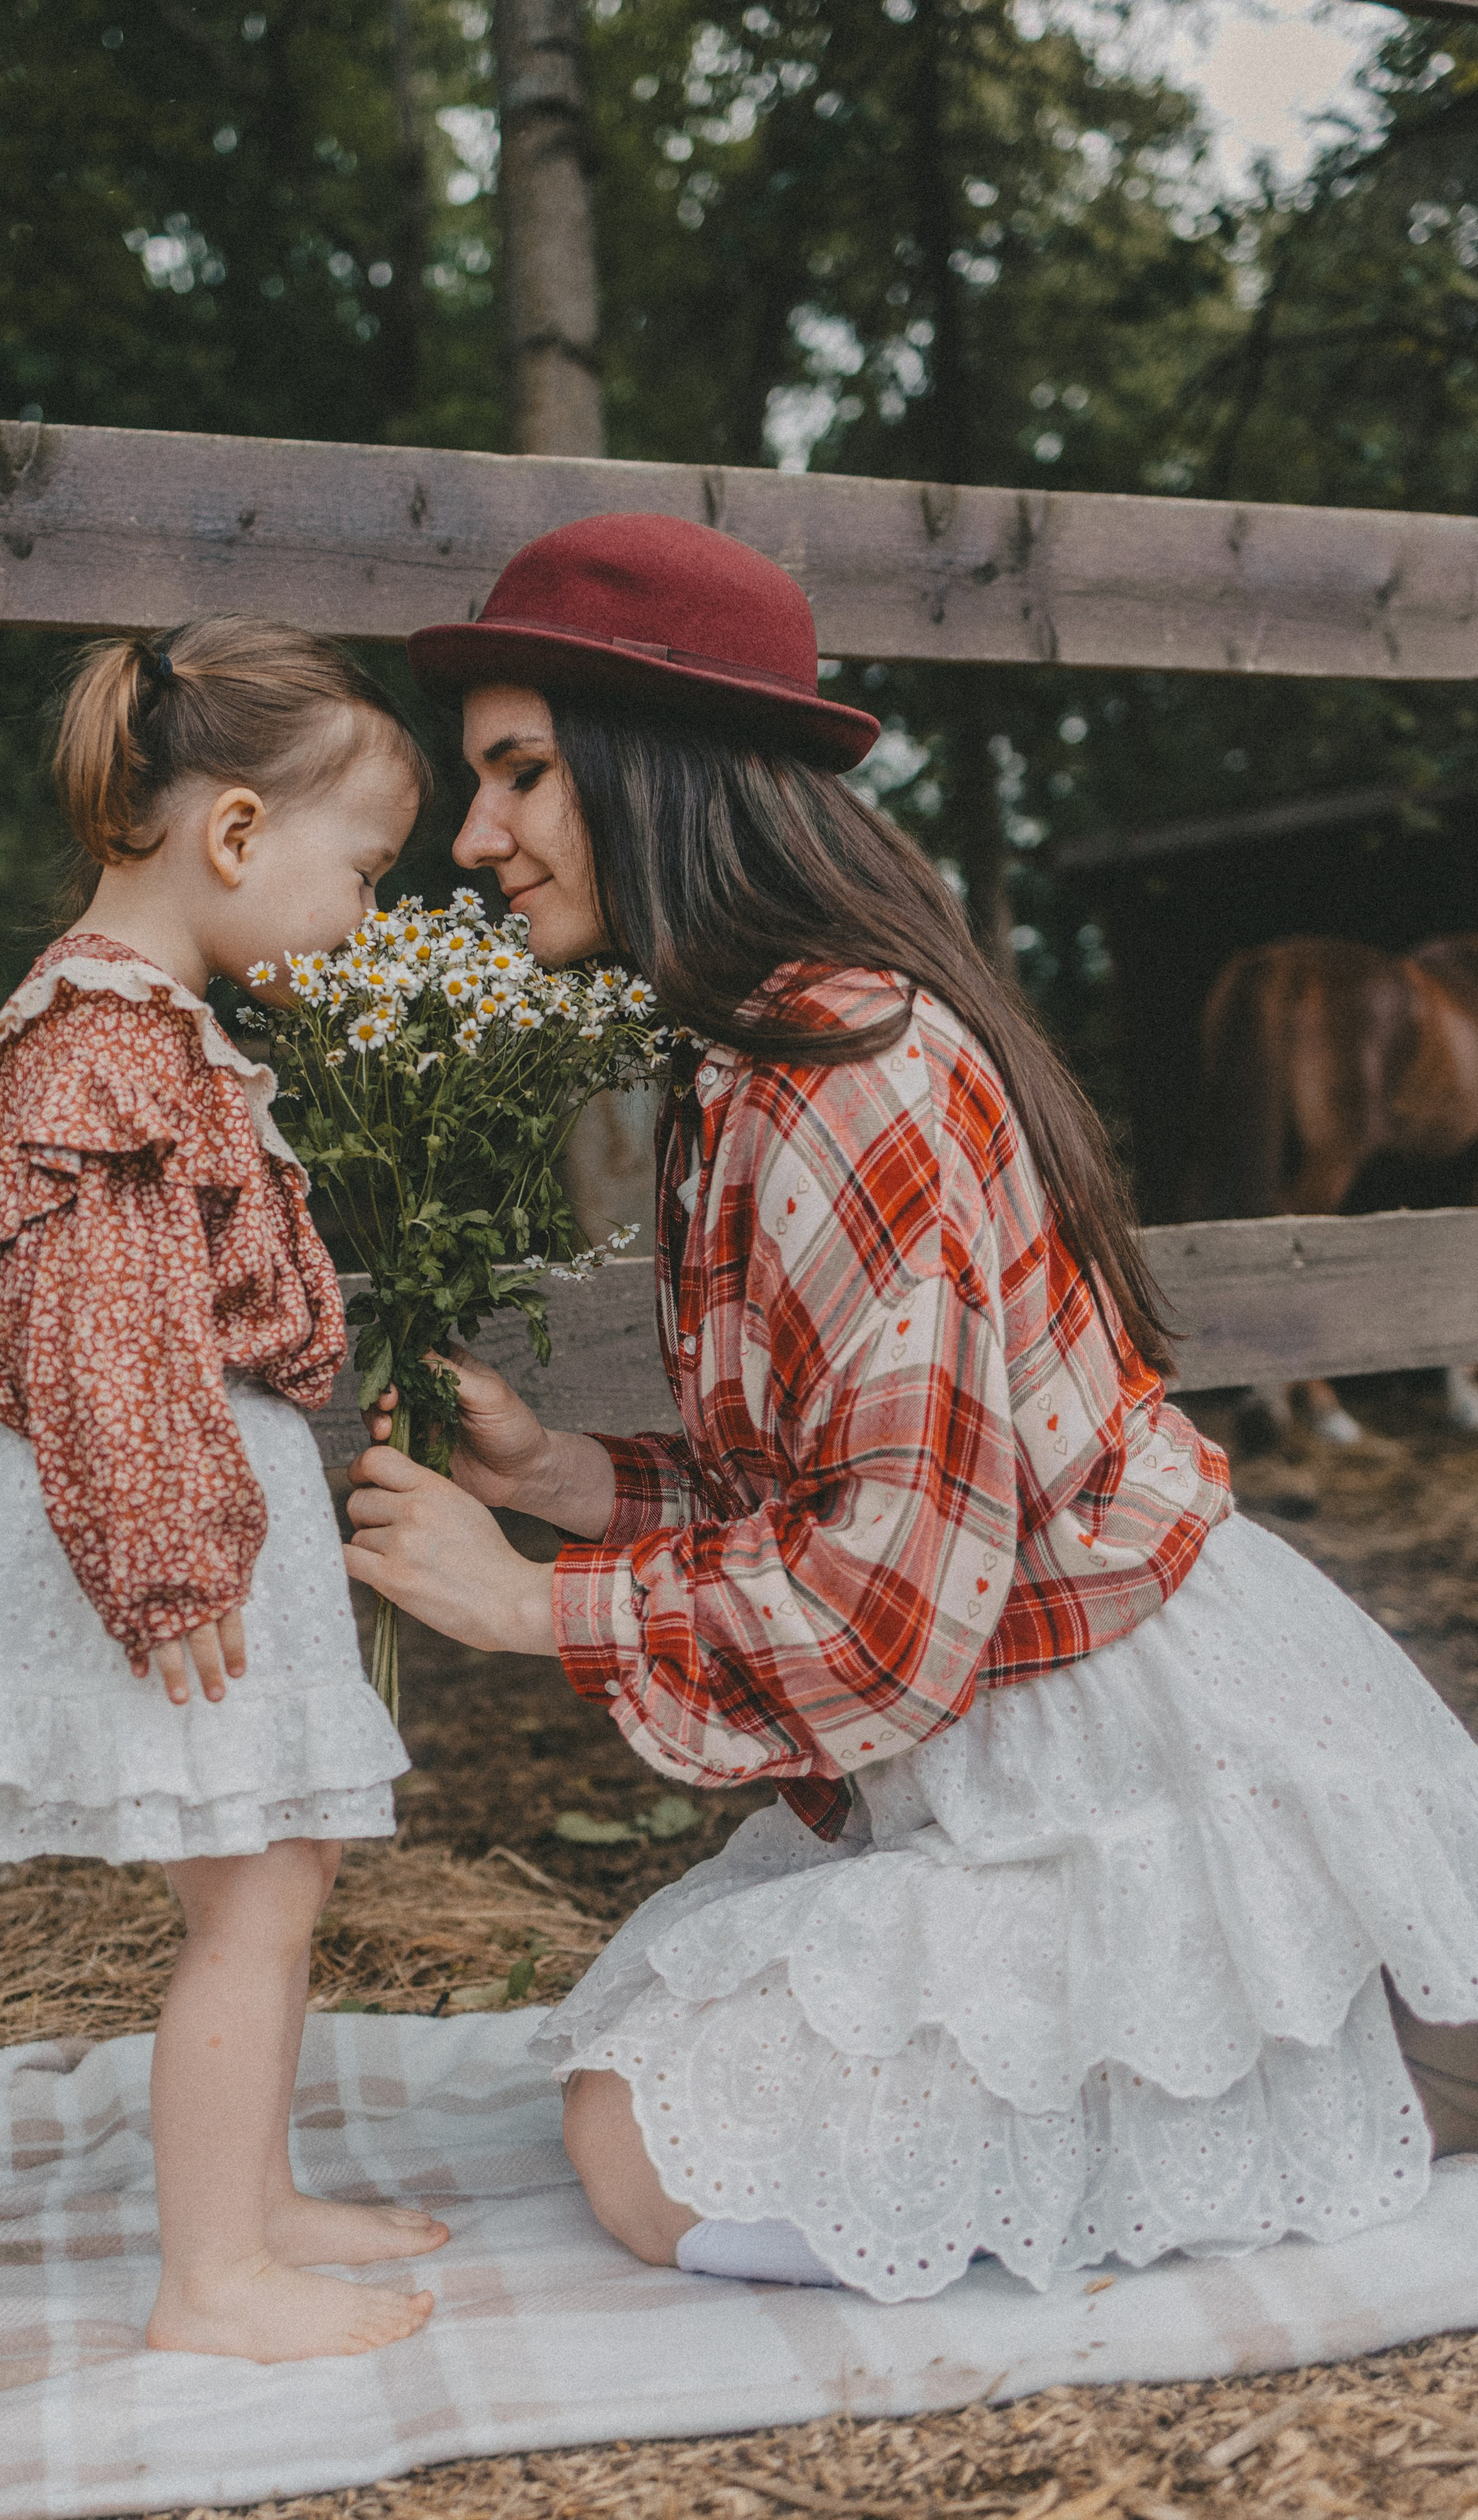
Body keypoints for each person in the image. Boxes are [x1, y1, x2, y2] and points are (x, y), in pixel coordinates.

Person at [346, 513, 1478, 2302]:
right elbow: (845, 1486)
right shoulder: (755, 1055)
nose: (474, 837)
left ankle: (1358, 2044)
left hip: (1115, 1743)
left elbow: (887, 1606)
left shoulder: (837, 1074)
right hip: (1001, 1724)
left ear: (670, 774)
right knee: (640, 2099)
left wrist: (527, 1604)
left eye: (521, 774)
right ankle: (1353, 2035)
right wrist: (562, 1475)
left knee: (644, 2156)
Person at [0, 617, 443, 2364]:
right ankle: (214, 2280)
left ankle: (251, 2201)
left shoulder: (134, 1027)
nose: (366, 913)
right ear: (239, 835)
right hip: (148, 1504)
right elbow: (100, 1329)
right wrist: (170, 1558)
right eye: (365, 869)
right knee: (255, 1889)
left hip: (173, 1480)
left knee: (272, 1862)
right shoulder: (108, 1048)